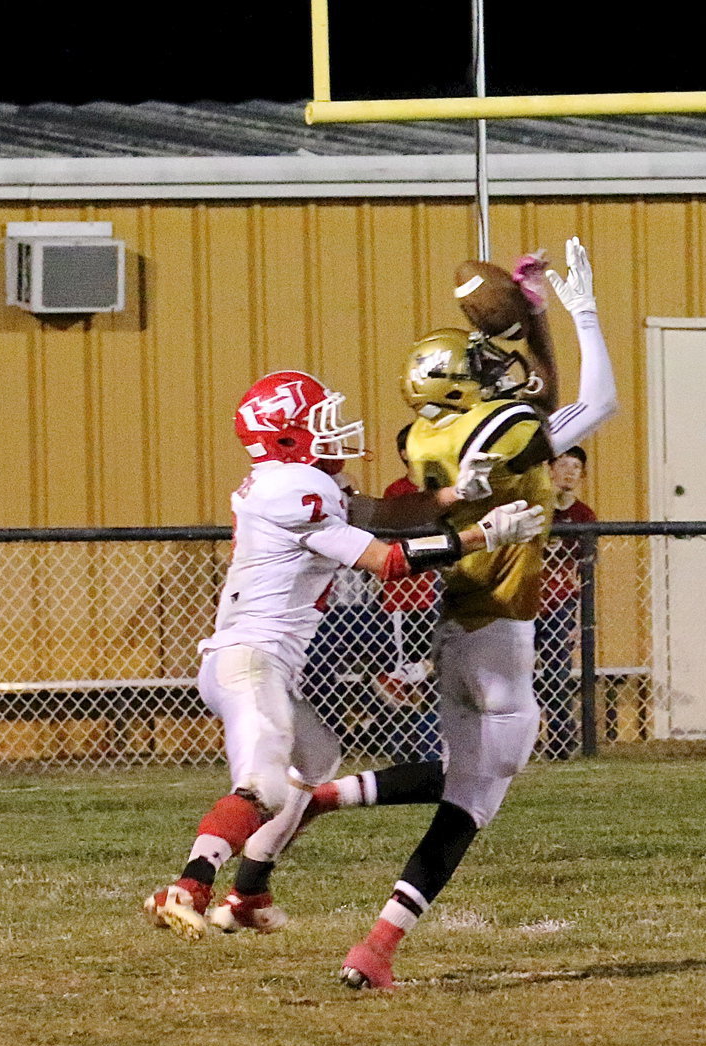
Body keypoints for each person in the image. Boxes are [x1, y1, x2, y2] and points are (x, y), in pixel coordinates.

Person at [144, 369, 544, 941]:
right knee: (265, 783)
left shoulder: (301, 485)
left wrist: (458, 496)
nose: (337, 432)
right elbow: (387, 560)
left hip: (261, 664)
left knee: (316, 758)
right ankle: (188, 886)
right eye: (319, 422)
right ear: (286, 436)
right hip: (248, 661)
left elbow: (379, 514)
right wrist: (481, 537)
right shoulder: (292, 491)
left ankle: (250, 890)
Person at [338, 237, 618, 991]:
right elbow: (594, 403)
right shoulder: (498, 431)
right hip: (505, 633)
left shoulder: (423, 433)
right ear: (462, 389)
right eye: (480, 367)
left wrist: (534, 318)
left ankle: (368, 919)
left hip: (457, 625)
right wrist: (583, 311)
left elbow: (537, 404)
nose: (495, 368)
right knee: (473, 802)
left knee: (462, 782)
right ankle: (371, 931)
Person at [372, 423, 443, 760]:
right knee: (405, 670)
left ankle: (428, 742)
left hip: (433, 589)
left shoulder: (440, 488)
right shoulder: (397, 491)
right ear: (404, 453)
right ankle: (402, 745)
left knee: (429, 667)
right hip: (402, 595)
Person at [536, 445, 597, 758]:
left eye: (576, 467)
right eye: (563, 464)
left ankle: (561, 741)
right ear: (550, 469)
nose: (570, 472)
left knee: (557, 674)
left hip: (559, 603)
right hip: (526, 599)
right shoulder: (536, 508)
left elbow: (585, 569)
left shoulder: (583, 516)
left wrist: (578, 616)